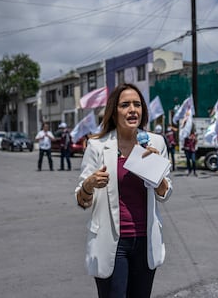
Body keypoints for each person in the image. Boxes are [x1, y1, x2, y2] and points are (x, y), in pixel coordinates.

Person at [74, 83, 172, 298]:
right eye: (125, 105)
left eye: (137, 104)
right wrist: (89, 184)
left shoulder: (156, 142)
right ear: (114, 111)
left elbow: (164, 193)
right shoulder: (97, 145)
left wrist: (154, 167)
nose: (132, 109)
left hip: (145, 241)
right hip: (112, 242)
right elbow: (81, 200)